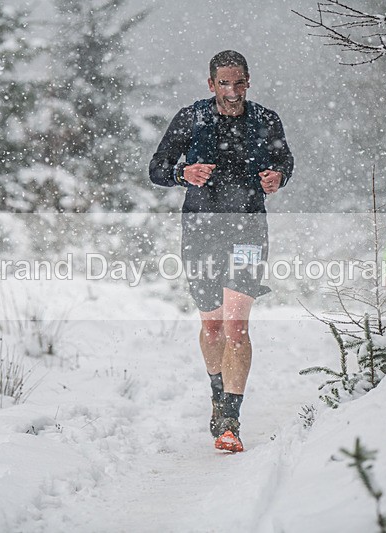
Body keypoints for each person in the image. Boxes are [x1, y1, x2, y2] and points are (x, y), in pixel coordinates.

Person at [149, 50, 294, 452]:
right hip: (201, 231)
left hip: (248, 230)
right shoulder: (191, 118)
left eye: (239, 82)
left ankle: (230, 417)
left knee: (237, 327)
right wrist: (183, 173)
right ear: (211, 84)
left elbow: (286, 161)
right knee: (212, 326)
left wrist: (277, 177)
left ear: (249, 81)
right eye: (224, 83)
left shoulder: (266, 120)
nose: (232, 91)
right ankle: (218, 393)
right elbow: (157, 167)